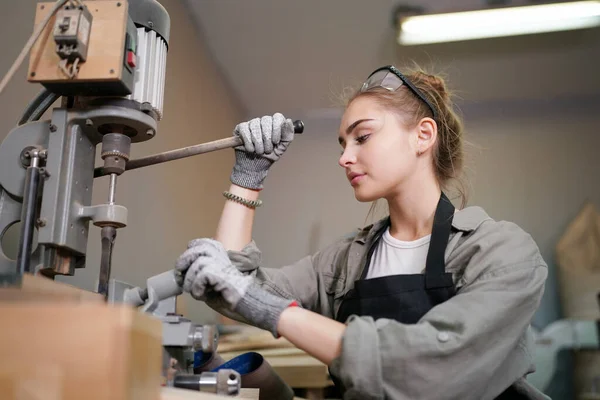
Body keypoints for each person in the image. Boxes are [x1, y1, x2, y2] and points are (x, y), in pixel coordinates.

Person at [174, 65, 550, 399]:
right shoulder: (347, 262)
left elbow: (428, 370)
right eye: (343, 143)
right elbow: (233, 290)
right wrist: (247, 178)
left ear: (423, 135)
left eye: (362, 137)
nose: (344, 157)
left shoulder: (500, 251)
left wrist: (274, 312)